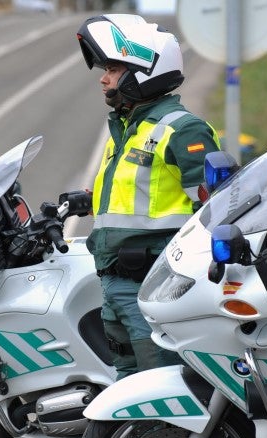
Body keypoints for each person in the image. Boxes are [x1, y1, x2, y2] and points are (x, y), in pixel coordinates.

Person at [76, 14, 222, 381]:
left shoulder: (182, 129)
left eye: (112, 68)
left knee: (160, 388)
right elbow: (136, 193)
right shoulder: (127, 129)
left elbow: (218, 209)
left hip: (152, 284)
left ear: (144, 70)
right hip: (114, 283)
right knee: (128, 386)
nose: (103, 78)